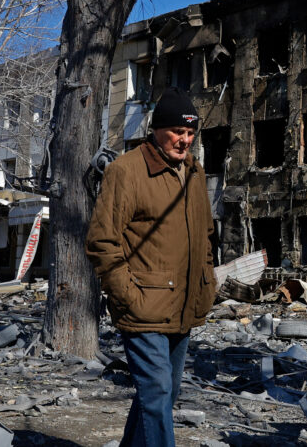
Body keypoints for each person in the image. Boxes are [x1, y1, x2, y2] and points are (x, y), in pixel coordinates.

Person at [86, 87, 217, 447]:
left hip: (184, 305)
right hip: (143, 306)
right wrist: (129, 295)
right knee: (157, 391)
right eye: (177, 131)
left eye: (190, 133)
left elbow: (206, 235)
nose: (184, 140)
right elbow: (102, 242)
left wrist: (208, 284)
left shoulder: (194, 173)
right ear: (157, 129)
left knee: (164, 393)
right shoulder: (125, 171)